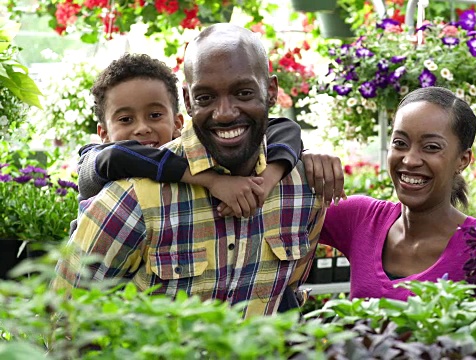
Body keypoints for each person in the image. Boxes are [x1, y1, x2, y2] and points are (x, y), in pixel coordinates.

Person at [53, 24, 327, 317]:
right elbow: (66, 317)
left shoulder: (304, 189)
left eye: (244, 92)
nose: (224, 112)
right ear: (188, 100)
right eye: (206, 98)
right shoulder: (134, 195)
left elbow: (288, 291)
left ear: (271, 91)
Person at [309, 87, 476, 301]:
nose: (410, 160)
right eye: (400, 143)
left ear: (462, 160)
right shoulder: (360, 218)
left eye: (431, 147)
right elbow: (277, 210)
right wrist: (300, 160)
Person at [76, 53, 307, 219]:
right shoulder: (92, 162)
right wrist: (213, 181)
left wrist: (264, 184)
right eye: (126, 120)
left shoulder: (187, 154)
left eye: (155, 115)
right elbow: (118, 156)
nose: (142, 128)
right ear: (103, 134)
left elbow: (286, 129)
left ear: (178, 123)